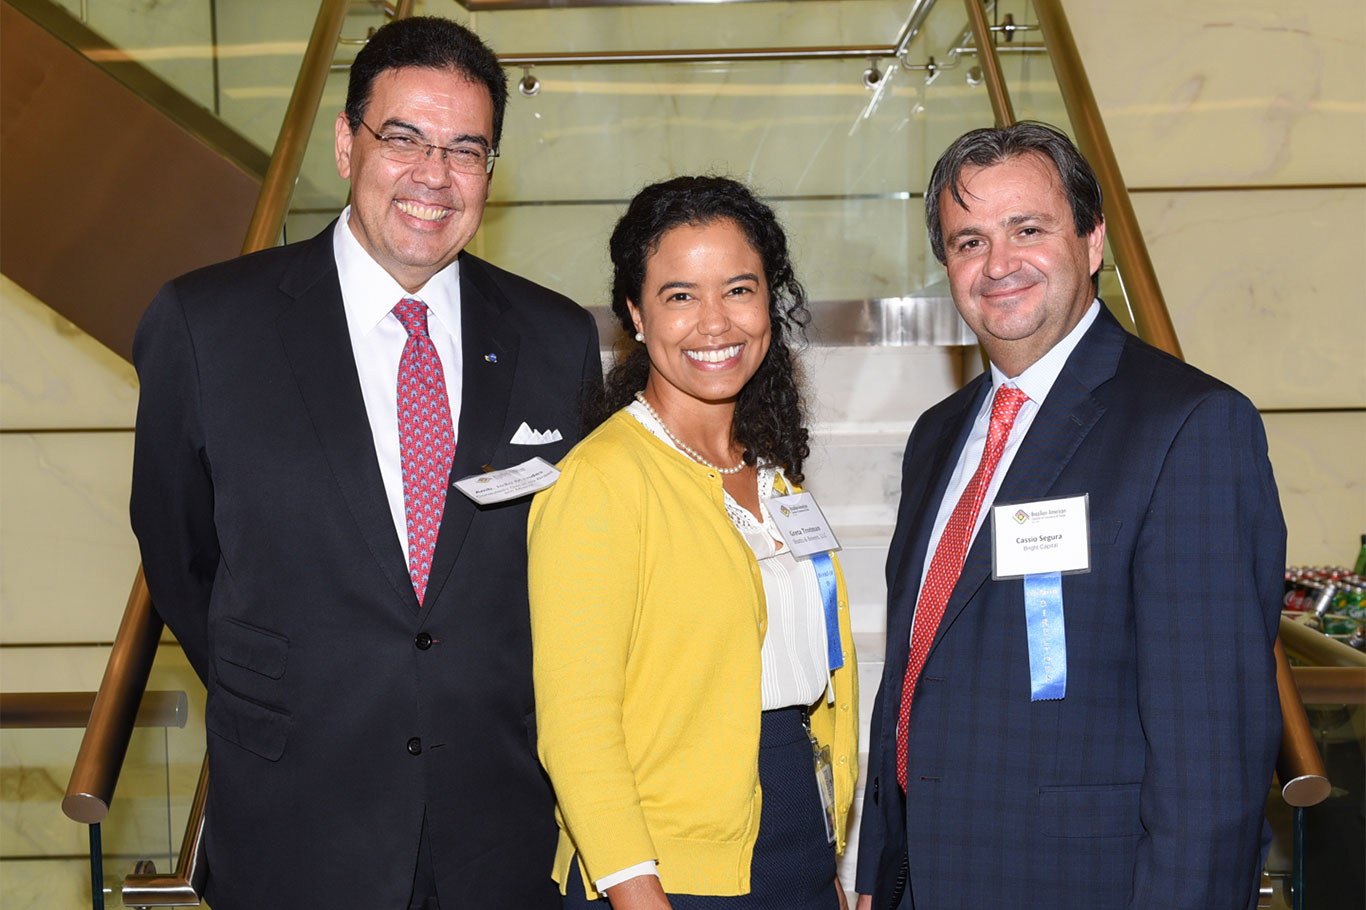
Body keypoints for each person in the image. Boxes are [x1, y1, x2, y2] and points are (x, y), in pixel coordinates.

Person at [129, 17, 601, 909]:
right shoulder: (208, 326)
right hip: (296, 818)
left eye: (467, 149)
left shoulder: (554, 338)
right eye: (404, 139)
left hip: (501, 831)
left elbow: (569, 565)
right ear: (347, 145)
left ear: (491, 174)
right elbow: (178, 548)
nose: (435, 176)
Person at [854, 122, 1285, 910]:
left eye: (1029, 229)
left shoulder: (1189, 427)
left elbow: (1212, 756)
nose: (998, 265)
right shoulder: (939, 435)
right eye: (968, 241)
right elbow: (919, 674)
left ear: (1091, 241)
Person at [527, 176, 858, 910]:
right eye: (680, 295)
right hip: (665, 869)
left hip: (790, 829)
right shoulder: (604, 480)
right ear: (635, 316)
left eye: (738, 289)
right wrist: (633, 890)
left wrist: (821, 854)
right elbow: (577, 724)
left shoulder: (772, 472)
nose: (716, 322)